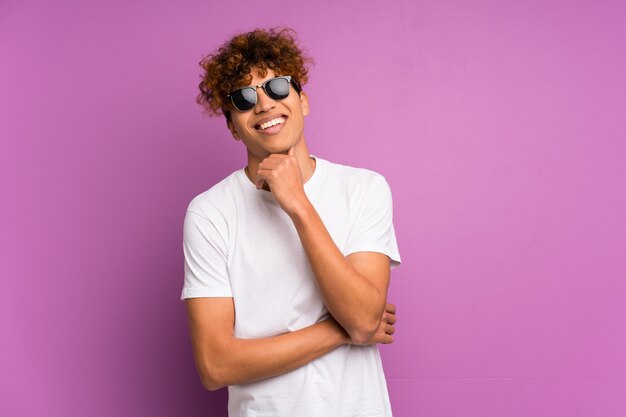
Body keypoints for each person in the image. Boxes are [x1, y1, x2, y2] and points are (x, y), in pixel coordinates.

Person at [181, 27, 402, 417]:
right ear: (232, 126)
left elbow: (366, 318)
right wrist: (344, 330)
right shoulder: (209, 213)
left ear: (302, 101)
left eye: (278, 87)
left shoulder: (364, 188)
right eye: (244, 98)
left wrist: (298, 204)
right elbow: (215, 366)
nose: (264, 105)